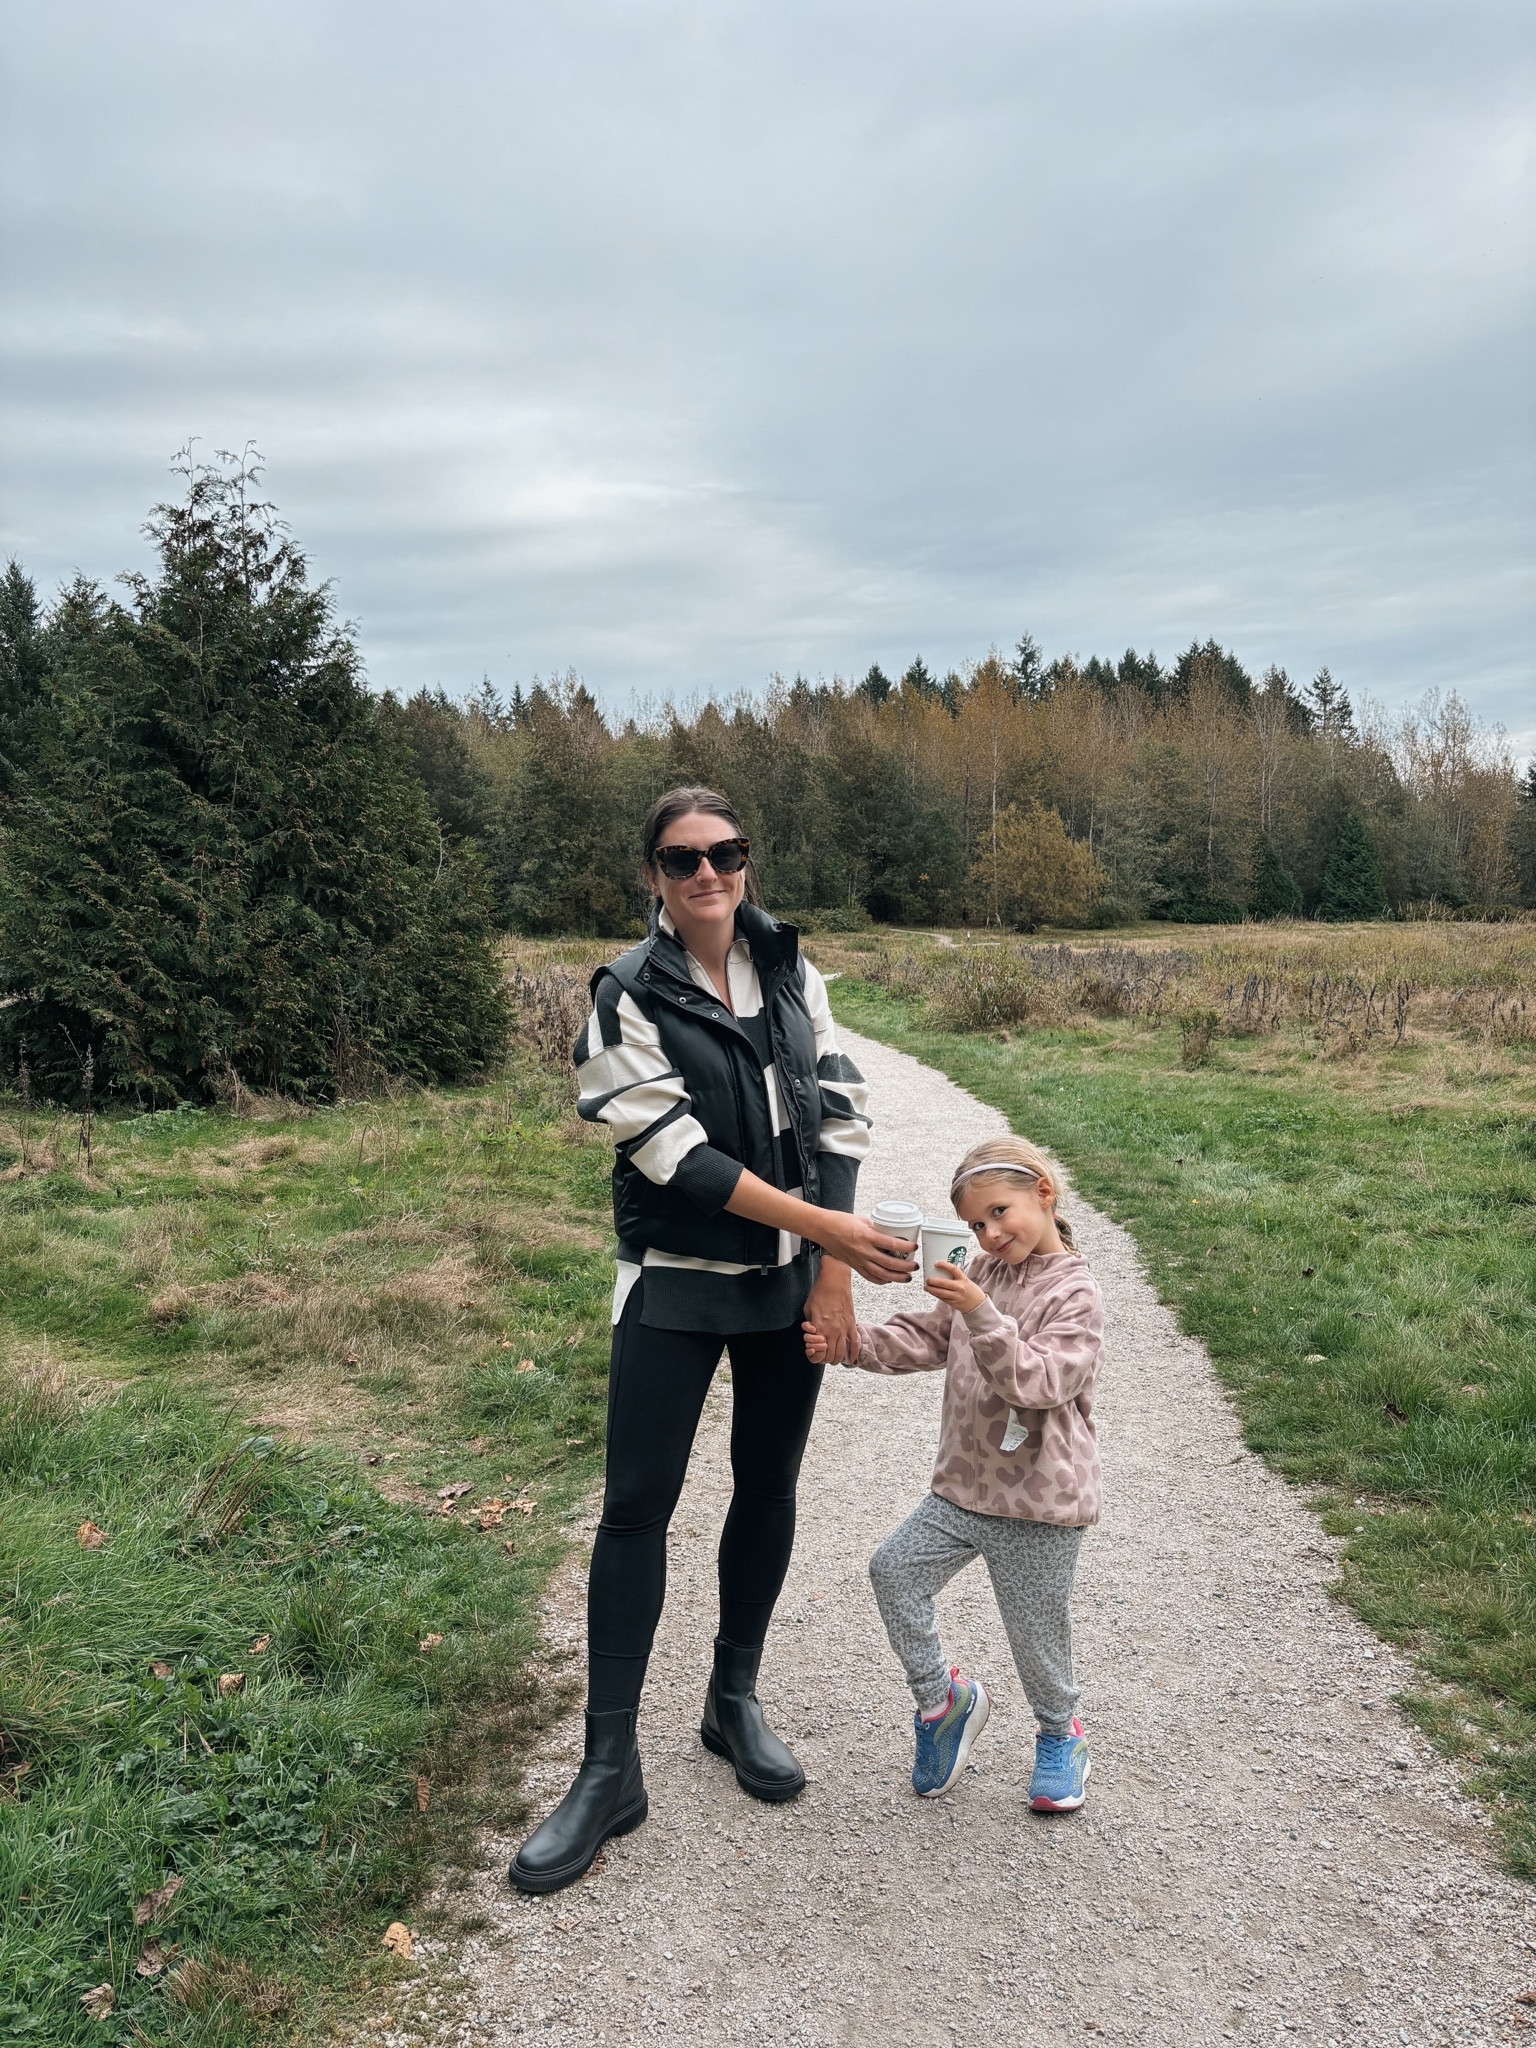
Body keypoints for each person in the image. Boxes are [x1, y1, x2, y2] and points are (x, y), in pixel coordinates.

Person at [510, 785, 917, 1895]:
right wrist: (832, 1228)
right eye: (682, 858)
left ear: (747, 860)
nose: (708, 874)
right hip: (676, 1285)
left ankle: (732, 1699)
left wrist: (830, 1273)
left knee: (767, 1485)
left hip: (788, 1289)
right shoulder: (623, 993)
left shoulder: (791, 970)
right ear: (651, 874)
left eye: (726, 853)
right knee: (636, 1506)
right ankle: (607, 1768)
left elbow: (838, 1113)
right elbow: (677, 1158)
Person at [803, 1133, 1105, 1813]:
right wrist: (853, 1345)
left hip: (1040, 1502)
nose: (989, 1234)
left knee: (1035, 1634)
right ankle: (943, 1705)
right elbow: (932, 1336)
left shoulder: (1076, 1293)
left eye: (1001, 1212)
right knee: (894, 1572)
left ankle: (1061, 1735)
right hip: (965, 1487)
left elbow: (1038, 1382)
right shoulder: (985, 1275)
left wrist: (976, 1307)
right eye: (975, 1224)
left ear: (1044, 1193)